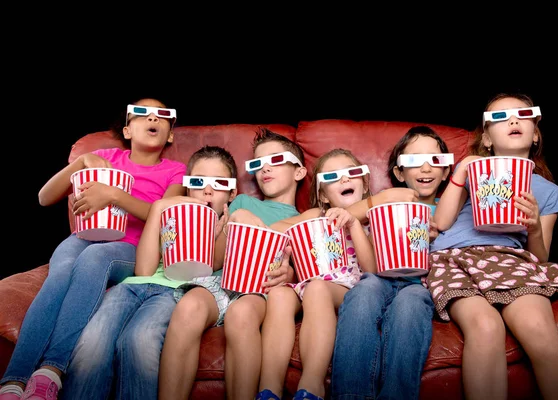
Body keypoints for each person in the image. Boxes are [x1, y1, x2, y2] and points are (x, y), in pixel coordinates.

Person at [0, 98, 187, 400]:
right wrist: (80, 163)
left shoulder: (175, 171)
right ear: (127, 129)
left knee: (94, 257)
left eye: (163, 116)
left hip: (131, 247)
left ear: (169, 135)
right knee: (59, 273)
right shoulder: (104, 157)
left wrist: (113, 195)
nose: (153, 118)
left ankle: (51, 370)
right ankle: (14, 381)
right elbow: (44, 198)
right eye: (141, 113)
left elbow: (165, 214)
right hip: (85, 236)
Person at [425, 93, 558, 400]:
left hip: (510, 259)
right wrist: (462, 173)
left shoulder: (549, 192)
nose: (513, 120)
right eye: (500, 117)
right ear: (487, 140)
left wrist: (533, 226)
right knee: (485, 325)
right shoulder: (471, 174)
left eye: (523, 114)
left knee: (538, 327)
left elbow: (539, 257)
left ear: (535, 135)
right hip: (451, 258)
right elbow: (440, 222)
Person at [59, 145, 238, 400]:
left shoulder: (229, 224)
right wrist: (160, 208)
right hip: (132, 286)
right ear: (187, 187)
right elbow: (143, 270)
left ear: (232, 192)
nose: (207, 190)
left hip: (174, 293)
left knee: (139, 340)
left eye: (218, 184)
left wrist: (216, 229)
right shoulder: (168, 215)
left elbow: (214, 266)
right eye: (198, 181)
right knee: (93, 342)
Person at [158, 127, 307, 400]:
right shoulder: (239, 202)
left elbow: (306, 269)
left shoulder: (305, 217)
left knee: (241, 314)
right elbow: (212, 260)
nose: (265, 168)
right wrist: (231, 225)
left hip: (260, 288)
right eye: (258, 163)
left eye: (275, 160)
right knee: (188, 306)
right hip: (219, 279)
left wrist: (291, 272)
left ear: (299, 172)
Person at [331, 126, 453, 400]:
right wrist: (381, 199)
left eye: (435, 160)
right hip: (379, 276)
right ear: (399, 173)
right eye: (413, 160)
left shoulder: (449, 208)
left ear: (446, 171)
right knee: (363, 292)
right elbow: (345, 215)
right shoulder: (387, 199)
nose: (425, 168)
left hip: (419, 284)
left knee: (409, 306)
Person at [256, 148, 378, 400]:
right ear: (322, 195)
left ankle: (312, 386)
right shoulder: (315, 215)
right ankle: (269, 389)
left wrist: (353, 223)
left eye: (350, 173)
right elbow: (276, 231)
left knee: (317, 288)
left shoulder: (371, 220)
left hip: (347, 289)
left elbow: (372, 270)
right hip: (308, 283)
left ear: (365, 184)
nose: (344, 180)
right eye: (332, 177)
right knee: (278, 295)